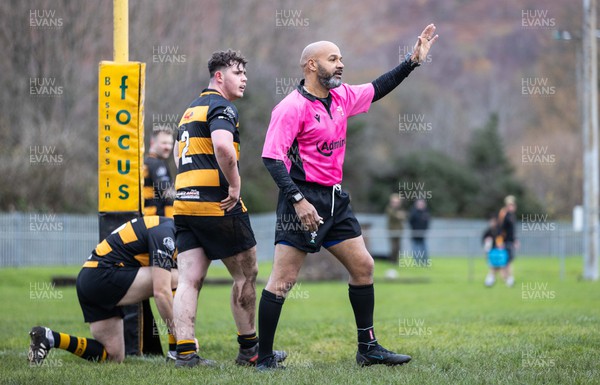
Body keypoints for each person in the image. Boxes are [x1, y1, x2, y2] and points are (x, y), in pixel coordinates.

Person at [257, 24, 438, 370]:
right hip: (302, 201)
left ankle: (367, 348)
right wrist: (298, 200)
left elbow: (378, 87)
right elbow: (271, 157)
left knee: (364, 266)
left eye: (341, 58)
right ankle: (263, 357)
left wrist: (412, 61)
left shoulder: (340, 98)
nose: (341, 64)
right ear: (311, 65)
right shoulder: (290, 107)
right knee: (283, 280)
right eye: (333, 58)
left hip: (336, 200)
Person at [171, 49, 285, 368]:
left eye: (245, 73)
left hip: (184, 204)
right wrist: (234, 185)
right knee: (246, 274)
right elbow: (223, 146)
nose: (244, 78)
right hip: (217, 204)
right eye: (238, 73)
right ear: (219, 77)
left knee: (189, 279)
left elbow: (179, 158)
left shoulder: (189, 110)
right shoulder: (222, 106)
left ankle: (185, 353)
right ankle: (250, 350)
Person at [28, 216, 178, 364]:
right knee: (175, 277)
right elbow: (161, 291)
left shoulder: (166, 227)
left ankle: (49, 337)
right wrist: (183, 338)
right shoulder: (165, 232)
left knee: (114, 356)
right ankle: (176, 351)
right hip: (102, 276)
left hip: (90, 279)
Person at [143, 126, 175, 217]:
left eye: (170, 143)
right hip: (158, 221)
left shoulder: (146, 163)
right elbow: (167, 192)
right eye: (164, 143)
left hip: (147, 219)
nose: (168, 147)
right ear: (152, 143)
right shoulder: (157, 164)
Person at [482, 214, 509, 287]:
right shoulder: (488, 231)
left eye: (493, 222)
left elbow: (504, 239)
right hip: (491, 252)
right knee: (492, 266)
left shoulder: (500, 231)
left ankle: (507, 280)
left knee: (502, 266)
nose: (492, 223)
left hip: (500, 252)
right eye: (491, 222)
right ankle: (491, 279)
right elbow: (484, 240)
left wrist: (502, 244)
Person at [498, 195, 518, 287]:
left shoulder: (511, 216)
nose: (512, 206)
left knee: (507, 261)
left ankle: (507, 278)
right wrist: (500, 241)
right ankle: (508, 278)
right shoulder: (504, 214)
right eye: (510, 205)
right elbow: (501, 229)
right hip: (504, 242)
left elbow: (512, 231)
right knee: (506, 261)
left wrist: (515, 240)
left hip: (509, 241)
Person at [385, 193, 406, 265]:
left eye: (397, 202)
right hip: (391, 230)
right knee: (393, 247)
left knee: (398, 246)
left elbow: (403, 216)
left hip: (399, 230)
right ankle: (392, 261)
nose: (395, 204)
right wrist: (399, 215)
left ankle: (396, 261)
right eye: (394, 202)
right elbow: (395, 216)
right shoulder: (389, 208)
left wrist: (400, 215)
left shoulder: (401, 209)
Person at [409, 199, 430, 266]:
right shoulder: (413, 212)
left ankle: (425, 262)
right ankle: (417, 262)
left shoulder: (426, 212)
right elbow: (410, 221)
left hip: (423, 234)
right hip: (415, 233)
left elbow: (427, 222)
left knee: (424, 248)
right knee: (416, 248)